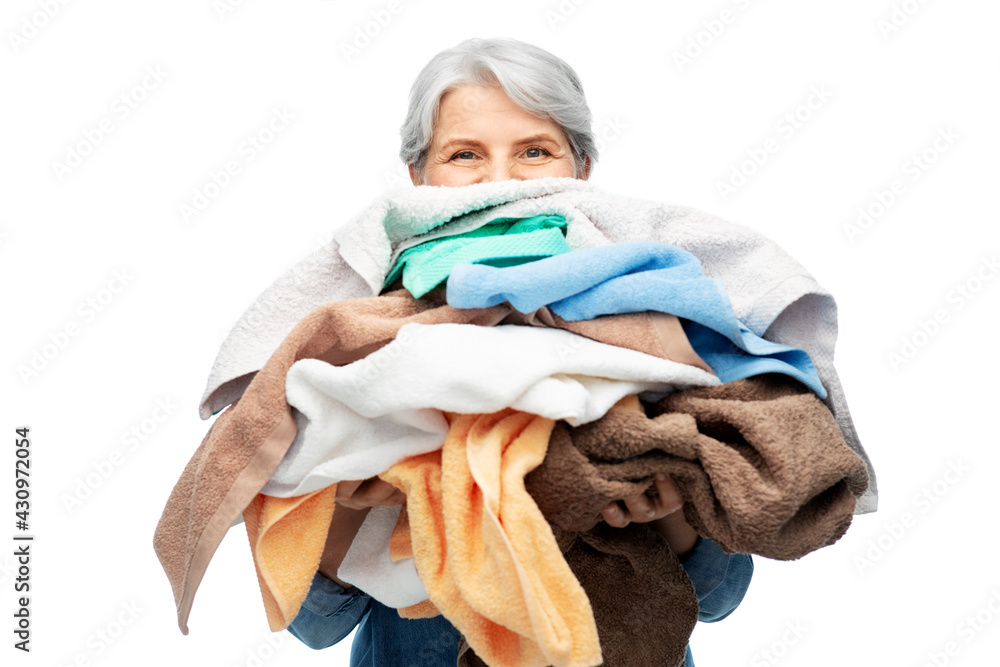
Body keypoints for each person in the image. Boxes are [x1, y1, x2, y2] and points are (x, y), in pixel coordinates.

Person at [287, 37, 753, 666]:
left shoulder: (660, 328)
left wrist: (667, 512)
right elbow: (314, 627)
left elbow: (719, 599)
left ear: (581, 171)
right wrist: (345, 501)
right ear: (418, 177)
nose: (501, 181)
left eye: (535, 151)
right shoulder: (352, 345)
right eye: (464, 154)